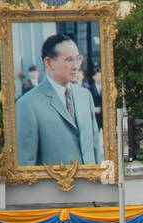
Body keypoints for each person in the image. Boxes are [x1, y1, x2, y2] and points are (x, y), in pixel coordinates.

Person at [15, 35, 104, 167]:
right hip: (53, 186)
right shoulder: (27, 104)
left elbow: (96, 146)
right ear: (49, 63)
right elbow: (26, 164)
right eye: (69, 60)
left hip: (90, 184)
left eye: (78, 59)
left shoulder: (85, 96)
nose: (76, 66)